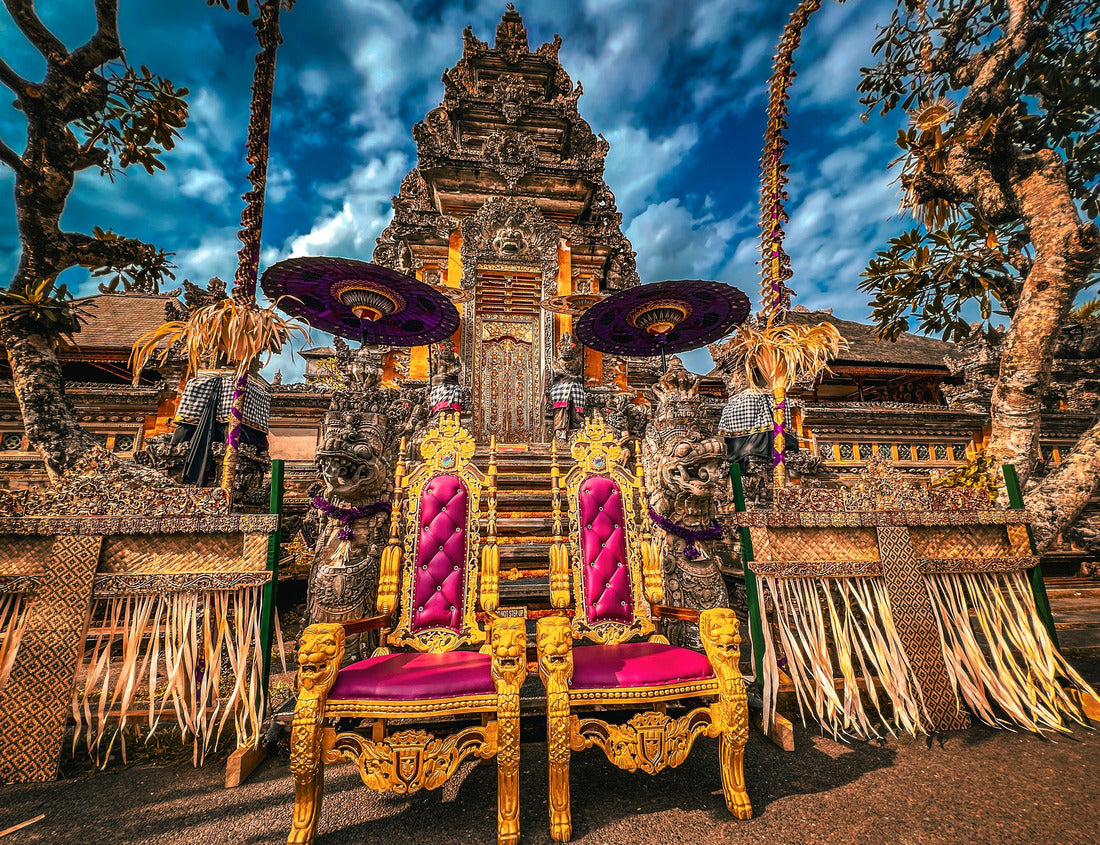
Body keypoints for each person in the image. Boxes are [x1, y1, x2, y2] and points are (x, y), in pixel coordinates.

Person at [548, 332, 586, 440]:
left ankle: (577, 428)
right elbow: (558, 373)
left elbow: (579, 376)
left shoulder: (577, 362)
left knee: (575, 409)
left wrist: (574, 377)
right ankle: (560, 429)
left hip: (575, 387)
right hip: (560, 388)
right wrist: (569, 376)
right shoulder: (556, 363)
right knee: (561, 409)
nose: (567, 357)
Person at [428, 341, 462, 418]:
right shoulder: (438, 359)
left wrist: (449, 373)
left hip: (450, 381)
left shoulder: (455, 359)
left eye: (449, 350)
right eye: (445, 350)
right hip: (438, 382)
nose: (447, 352)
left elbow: (458, 369)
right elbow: (434, 371)